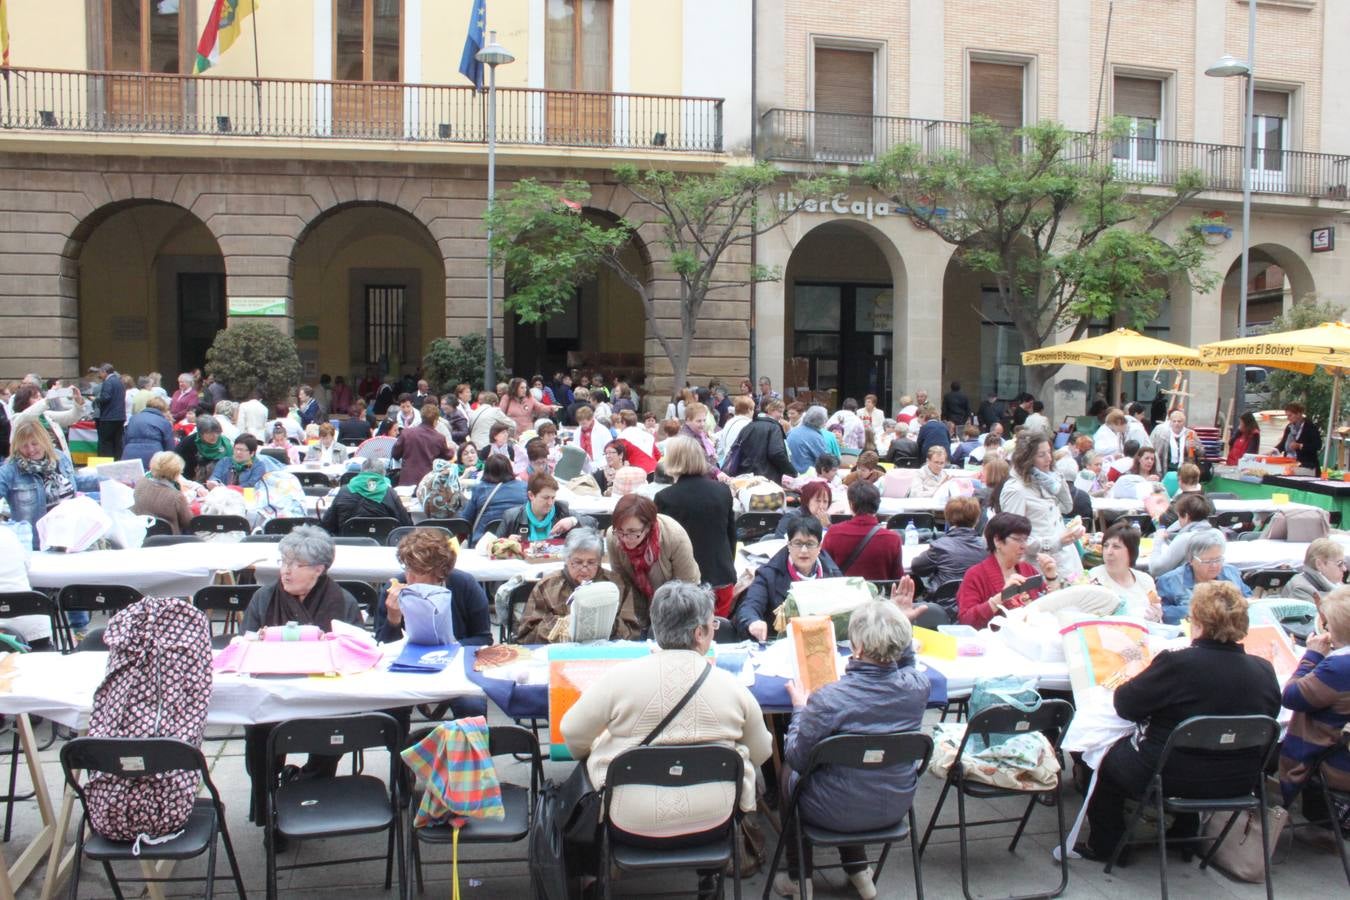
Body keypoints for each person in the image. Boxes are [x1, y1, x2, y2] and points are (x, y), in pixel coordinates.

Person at [561, 581, 773, 849]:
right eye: (713, 625)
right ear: (699, 633)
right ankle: (710, 879)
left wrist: (595, 751)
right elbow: (762, 751)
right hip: (714, 816)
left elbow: (571, 732)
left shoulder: (619, 678)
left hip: (627, 815)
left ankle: (590, 873)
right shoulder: (733, 688)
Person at [1078, 582, 1280, 861]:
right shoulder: (1264, 671)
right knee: (1193, 752)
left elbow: (1125, 705)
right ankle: (1185, 836)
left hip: (1167, 775)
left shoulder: (1178, 664)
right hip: (1237, 780)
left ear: (1196, 621)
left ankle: (1107, 845)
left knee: (1101, 757)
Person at [778, 600, 930, 900]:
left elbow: (797, 756)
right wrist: (901, 628)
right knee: (851, 768)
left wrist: (799, 710)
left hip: (833, 809)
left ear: (856, 644)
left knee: (790, 773)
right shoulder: (917, 686)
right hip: (893, 804)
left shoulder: (830, 699)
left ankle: (800, 877)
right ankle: (859, 870)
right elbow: (909, 664)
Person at [240, 526, 365, 826]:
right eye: (284, 562)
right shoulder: (264, 598)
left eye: (297, 565)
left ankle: (306, 788)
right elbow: (245, 645)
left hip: (324, 697)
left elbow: (354, 652)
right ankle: (267, 801)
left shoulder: (342, 601)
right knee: (258, 736)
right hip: (270, 694)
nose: (286, 571)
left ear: (319, 570)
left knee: (336, 731)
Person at [1277, 586, 1350, 838]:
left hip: (1332, 764)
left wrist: (1312, 656)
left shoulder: (1340, 666)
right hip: (1341, 752)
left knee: (1260, 747)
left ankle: (1257, 820)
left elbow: (1291, 696)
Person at [656, 437, 738, 617]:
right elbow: (731, 535)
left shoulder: (665, 497)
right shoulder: (722, 491)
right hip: (720, 574)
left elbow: (663, 547)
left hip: (684, 585)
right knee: (717, 632)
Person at [515, 528, 641, 643]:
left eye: (591, 562)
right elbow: (525, 635)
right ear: (566, 559)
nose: (584, 569)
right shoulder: (547, 586)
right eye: (578, 562)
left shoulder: (616, 585)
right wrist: (561, 625)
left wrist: (606, 624)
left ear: (600, 560)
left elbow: (633, 632)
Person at [375, 527, 493, 648]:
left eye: (418, 572)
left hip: (455, 658)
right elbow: (381, 646)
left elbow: (484, 638)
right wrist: (393, 620)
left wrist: (449, 648)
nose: (410, 578)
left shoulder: (464, 585)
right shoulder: (393, 590)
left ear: (440, 572)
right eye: (407, 568)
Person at [736, 517, 842, 641]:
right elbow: (749, 606)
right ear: (788, 545)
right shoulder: (769, 575)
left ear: (820, 546)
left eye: (810, 544)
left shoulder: (832, 574)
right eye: (797, 543)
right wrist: (753, 621)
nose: (804, 550)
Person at [606, 493, 700, 631]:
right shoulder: (613, 538)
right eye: (620, 531)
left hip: (675, 604)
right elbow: (622, 583)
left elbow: (688, 587)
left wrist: (668, 623)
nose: (625, 539)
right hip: (639, 605)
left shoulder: (674, 537)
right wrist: (638, 623)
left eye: (633, 532)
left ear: (648, 527)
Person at [999, 434, 1084, 581]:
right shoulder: (1015, 490)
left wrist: (1058, 480)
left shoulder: (1047, 480)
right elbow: (1013, 537)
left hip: (1066, 561)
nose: (1049, 458)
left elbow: (1067, 507)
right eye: (1041, 455)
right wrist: (1056, 542)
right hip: (1038, 565)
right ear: (1027, 459)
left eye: (1049, 452)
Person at [956, 512, 1060, 629]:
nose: (1024, 546)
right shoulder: (976, 575)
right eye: (1017, 539)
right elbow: (966, 621)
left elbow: (1051, 608)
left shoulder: (1027, 569)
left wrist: (1051, 577)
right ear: (997, 541)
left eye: (1025, 539)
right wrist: (1002, 596)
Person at [0, 421, 85, 548]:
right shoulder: (10, 470)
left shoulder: (60, 458)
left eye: (35, 443)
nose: (30, 450)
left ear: (44, 440)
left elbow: (76, 481)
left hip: (70, 541)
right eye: (24, 446)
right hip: (36, 547)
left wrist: (108, 478)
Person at [1155, 529, 1251, 624]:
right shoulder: (1169, 581)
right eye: (1207, 561)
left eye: (1218, 559)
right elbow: (1161, 611)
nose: (1214, 565)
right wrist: (1198, 612)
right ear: (1190, 559)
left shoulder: (1231, 572)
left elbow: (1248, 600)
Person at [822, 480, 903, 582]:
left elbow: (824, 571)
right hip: (880, 596)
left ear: (851, 504)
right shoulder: (893, 539)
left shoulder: (833, 533)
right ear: (877, 505)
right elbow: (897, 579)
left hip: (843, 595)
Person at [910, 496, 987, 602]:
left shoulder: (940, 546)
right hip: (976, 602)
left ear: (947, 518)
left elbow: (917, 566)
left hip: (943, 605)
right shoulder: (987, 547)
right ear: (977, 519)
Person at [1086, 523, 1161, 620]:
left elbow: (1157, 620)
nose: (1109, 552)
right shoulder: (1093, 578)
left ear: (1131, 551)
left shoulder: (1145, 580)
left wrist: (1156, 616)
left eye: (1116, 547)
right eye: (1105, 546)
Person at [320, 458, 412, 534]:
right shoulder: (390, 493)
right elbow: (406, 524)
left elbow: (327, 524)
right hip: (383, 547)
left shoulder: (344, 491)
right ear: (383, 475)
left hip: (348, 545)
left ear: (361, 472)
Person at [495, 471, 594, 542]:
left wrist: (573, 521)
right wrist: (506, 542)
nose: (550, 503)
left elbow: (593, 523)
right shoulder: (512, 517)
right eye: (546, 498)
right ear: (531, 495)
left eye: (553, 497)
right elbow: (493, 546)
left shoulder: (562, 511)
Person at [459, 453, 528, 542]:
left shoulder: (479, 489)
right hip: (517, 541)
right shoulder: (524, 487)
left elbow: (465, 520)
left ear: (486, 470)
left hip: (483, 543)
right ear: (509, 469)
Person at [1147, 492, 1217, 578]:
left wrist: (1158, 541)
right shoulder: (1217, 534)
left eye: (1179, 517)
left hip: (1182, 588)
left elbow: (1155, 570)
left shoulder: (1185, 539)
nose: (1179, 521)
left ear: (1186, 516)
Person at [729, 401, 797, 482]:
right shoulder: (774, 427)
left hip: (746, 475)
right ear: (770, 410)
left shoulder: (749, 426)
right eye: (780, 412)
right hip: (767, 478)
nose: (782, 415)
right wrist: (792, 471)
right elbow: (776, 453)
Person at [390, 404, 452, 488]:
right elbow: (448, 456)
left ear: (422, 418)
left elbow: (395, 454)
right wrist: (451, 448)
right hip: (427, 482)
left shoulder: (406, 433)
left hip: (407, 481)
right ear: (435, 421)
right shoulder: (439, 438)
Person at [132, 451, 193, 534]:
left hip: (141, 534)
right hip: (170, 540)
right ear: (175, 473)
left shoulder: (140, 483)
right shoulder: (176, 497)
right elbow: (188, 522)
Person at [1281, 538, 1347, 605]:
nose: (1344, 569)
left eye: (1344, 563)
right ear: (1319, 564)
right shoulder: (1301, 590)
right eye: (1340, 564)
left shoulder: (1334, 585)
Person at [119, 395, 175, 469]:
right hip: (153, 457)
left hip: (129, 454)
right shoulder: (163, 422)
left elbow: (124, 439)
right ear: (163, 410)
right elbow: (169, 446)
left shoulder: (133, 418)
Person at [175, 414, 231, 484]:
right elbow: (179, 467)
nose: (214, 436)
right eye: (209, 433)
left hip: (220, 483)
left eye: (217, 432)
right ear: (201, 433)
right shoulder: (189, 443)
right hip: (193, 483)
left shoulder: (225, 443)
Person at [1275, 401, 1323, 471]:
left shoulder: (1310, 427)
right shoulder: (1289, 427)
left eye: (1290, 415)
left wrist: (1300, 445)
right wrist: (1274, 451)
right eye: (1287, 416)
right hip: (1289, 464)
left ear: (1298, 414)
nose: (1288, 418)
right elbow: (1283, 444)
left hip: (1306, 466)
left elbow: (1318, 445)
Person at [1150, 408, 1200, 473]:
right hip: (1166, 469)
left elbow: (1202, 452)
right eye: (1174, 421)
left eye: (1179, 421)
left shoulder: (1191, 433)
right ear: (1170, 422)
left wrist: (1195, 447)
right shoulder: (1163, 434)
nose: (1176, 423)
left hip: (1185, 470)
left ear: (1184, 422)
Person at [94, 363, 126, 458]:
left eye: (100, 372)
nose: (99, 375)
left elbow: (106, 397)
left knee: (106, 442)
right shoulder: (119, 381)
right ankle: (117, 461)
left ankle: (107, 463)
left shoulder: (108, 382)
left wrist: (96, 400)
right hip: (120, 416)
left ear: (105, 372)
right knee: (117, 442)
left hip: (109, 417)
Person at [786, 406, 831, 474]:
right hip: (806, 476)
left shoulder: (792, 431)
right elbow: (825, 461)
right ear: (823, 421)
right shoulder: (816, 437)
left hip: (789, 472)